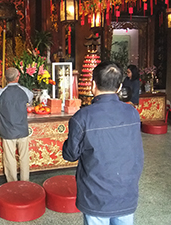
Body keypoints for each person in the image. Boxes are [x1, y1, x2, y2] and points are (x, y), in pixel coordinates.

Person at [62, 61, 144, 225]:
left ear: (93, 85)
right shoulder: (132, 113)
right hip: (126, 191)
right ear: (119, 87)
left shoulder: (82, 117)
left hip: (96, 194)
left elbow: (70, 155)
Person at [0, 67, 33, 182]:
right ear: (18, 76)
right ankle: (25, 181)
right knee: (24, 157)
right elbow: (30, 101)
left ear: (5, 79)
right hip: (22, 130)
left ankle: (12, 182)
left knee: (9, 158)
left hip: (7, 131)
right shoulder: (26, 92)